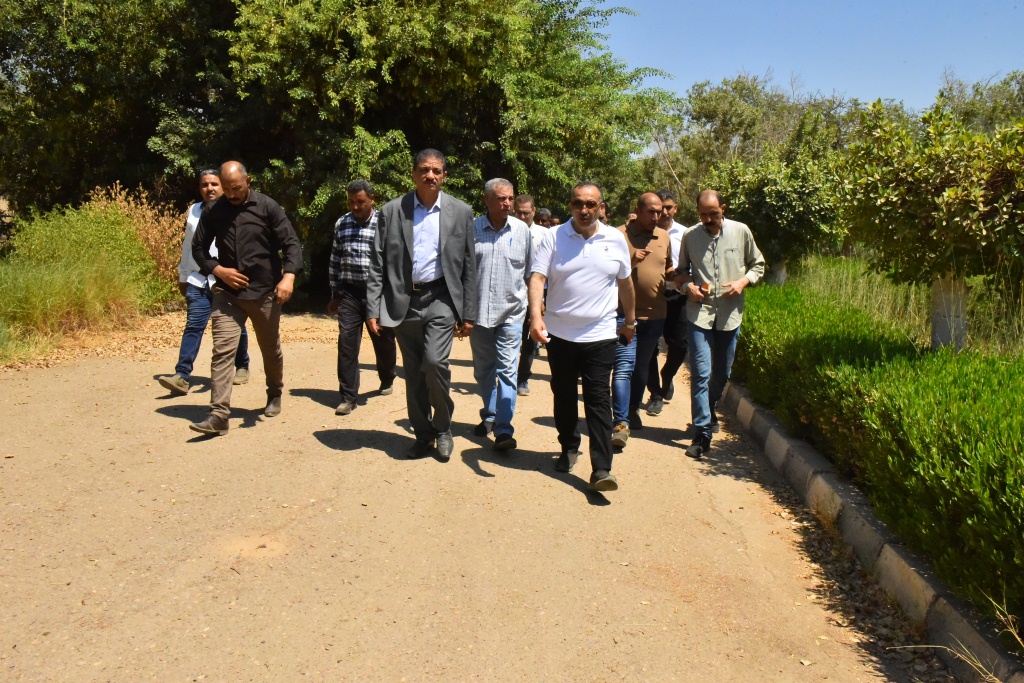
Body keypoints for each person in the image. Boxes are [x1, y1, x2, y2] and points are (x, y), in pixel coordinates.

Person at [366, 149, 477, 461]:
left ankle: (443, 427)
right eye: (425, 170)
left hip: (441, 297)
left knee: (434, 362)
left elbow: (469, 265)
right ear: (414, 174)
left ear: (444, 176)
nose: (430, 175)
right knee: (413, 371)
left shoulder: (461, 211)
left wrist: (468, 312)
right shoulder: (392, 211)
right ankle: (423, 434)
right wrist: (373, 308)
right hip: (403, 300)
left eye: (436, 170)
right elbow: (377, 263)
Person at [528, 182, 635, 492]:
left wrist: (630, 321)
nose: (584, 210)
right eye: (578, 204)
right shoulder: (553, 236)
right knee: (563, 395)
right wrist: (536, 317)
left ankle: (602, 468)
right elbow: (537, 278)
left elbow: (625, 283)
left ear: (601, 207)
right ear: (570, 206)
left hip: (600, 335)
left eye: (591, 204)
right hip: (560, 334)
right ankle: (568, 446)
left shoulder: (615, 239)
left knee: (598, 400)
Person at [188, 161, 303, 435]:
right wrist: (218, 270)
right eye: (227, 189)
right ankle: (219, 415)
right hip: (228, 294)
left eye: (236, 188)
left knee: (270, 349)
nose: (231, 194)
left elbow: (291, 244)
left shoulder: (267, 207)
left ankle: (274, 392)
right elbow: (198, 248)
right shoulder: (214, 210)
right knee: (223, 351)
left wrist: (288, 277)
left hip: (264, 293)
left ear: (248, 181)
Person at [678, 190, 764, 459]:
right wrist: (688, 287)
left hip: (729, 315)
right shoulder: (690, 236)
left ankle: (710, 405)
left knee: (722, 373)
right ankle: (702, 433)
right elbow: (680, 272)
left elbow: (758, 265)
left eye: (713, 214)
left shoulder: (741, 231)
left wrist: (743, 282)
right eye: (703, 214)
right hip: (699, 314)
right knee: (700, 374)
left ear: (723, 209)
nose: (707, 219)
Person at [160, 169, 251, 396]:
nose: (209, 188)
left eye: (214, 184)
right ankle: (182, 375)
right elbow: (188, 246)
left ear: (224, 186)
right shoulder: (194, 210)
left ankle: (242, 364)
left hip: (226, 280)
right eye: (204, 184)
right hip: (198, 279)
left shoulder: (235, 210)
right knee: (194, 325)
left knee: (235, 326)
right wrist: (183, 276)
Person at [469, 179, 532, 450]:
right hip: (479, 314)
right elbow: (463, 273)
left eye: (510, 198)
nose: (507, 203)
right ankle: (490, 415)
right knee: (483, 371)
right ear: (487, 200)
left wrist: (535, 310)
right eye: (501, 198)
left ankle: (504, 430)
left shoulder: (522, 230)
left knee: (507, 370)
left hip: (512, 313)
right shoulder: (471, 229)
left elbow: (530, 273)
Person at [327, 179, 397, 416]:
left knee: (383, 341)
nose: (355, 207)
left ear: (372, 200)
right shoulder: (342, 223)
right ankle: (348, 397)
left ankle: (387, 377)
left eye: (360, 202)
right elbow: (335, 259)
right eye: (351, 202)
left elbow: (393, 261)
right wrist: (335, 293)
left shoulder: (384, 223)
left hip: (378, 294)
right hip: (349, 293)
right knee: (347, 344)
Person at [610, 193, 672, 448]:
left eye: (660, 211)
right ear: (637, 210)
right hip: (623, 314)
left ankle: (633, 407)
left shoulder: (663, 237)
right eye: (651, 212)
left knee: (641, 367)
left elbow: (667, 268)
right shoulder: (617, 235)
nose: (657, 216)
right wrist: (631, 261)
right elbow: (606, 273)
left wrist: (679, 278)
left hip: (655, 315)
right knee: (623, 367)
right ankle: (620, 421)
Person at [645, 188, 690, 416]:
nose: (664, 213)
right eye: (660, 208)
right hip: (653, 297)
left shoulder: (686, 234)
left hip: (679, 297)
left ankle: (668, 374)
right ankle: (655, 393)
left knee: (681, 344)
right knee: (650, 346)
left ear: (675, 208)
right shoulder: (645, 232)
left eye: (668, 208)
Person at [514, 193, 548, 396]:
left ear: (534, 211)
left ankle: (522, 378)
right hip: (510, 295)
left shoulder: (544, 235)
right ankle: (506, 377)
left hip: (533, 296)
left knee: (529, 340)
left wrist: (542, 299)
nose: (522, 217)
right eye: (518, 213)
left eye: (526, 213)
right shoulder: (507, 230)